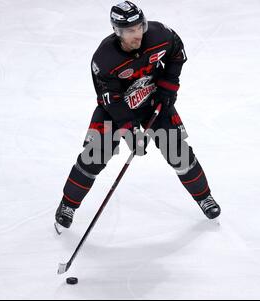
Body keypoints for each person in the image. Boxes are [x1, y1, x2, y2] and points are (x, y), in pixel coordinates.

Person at [55, 1, 221, 231]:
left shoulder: (160, 34)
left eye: (140, 27)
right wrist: (129, 130)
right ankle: (68, 205)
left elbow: (176, 50)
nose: (138, 34)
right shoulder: (104, 60)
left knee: (178, 151)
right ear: (117, 32)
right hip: (115, 110)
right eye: (131, 31)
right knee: (94, 155)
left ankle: (204, 197)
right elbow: (110, 99)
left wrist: (168, 85)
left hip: (152, 100)